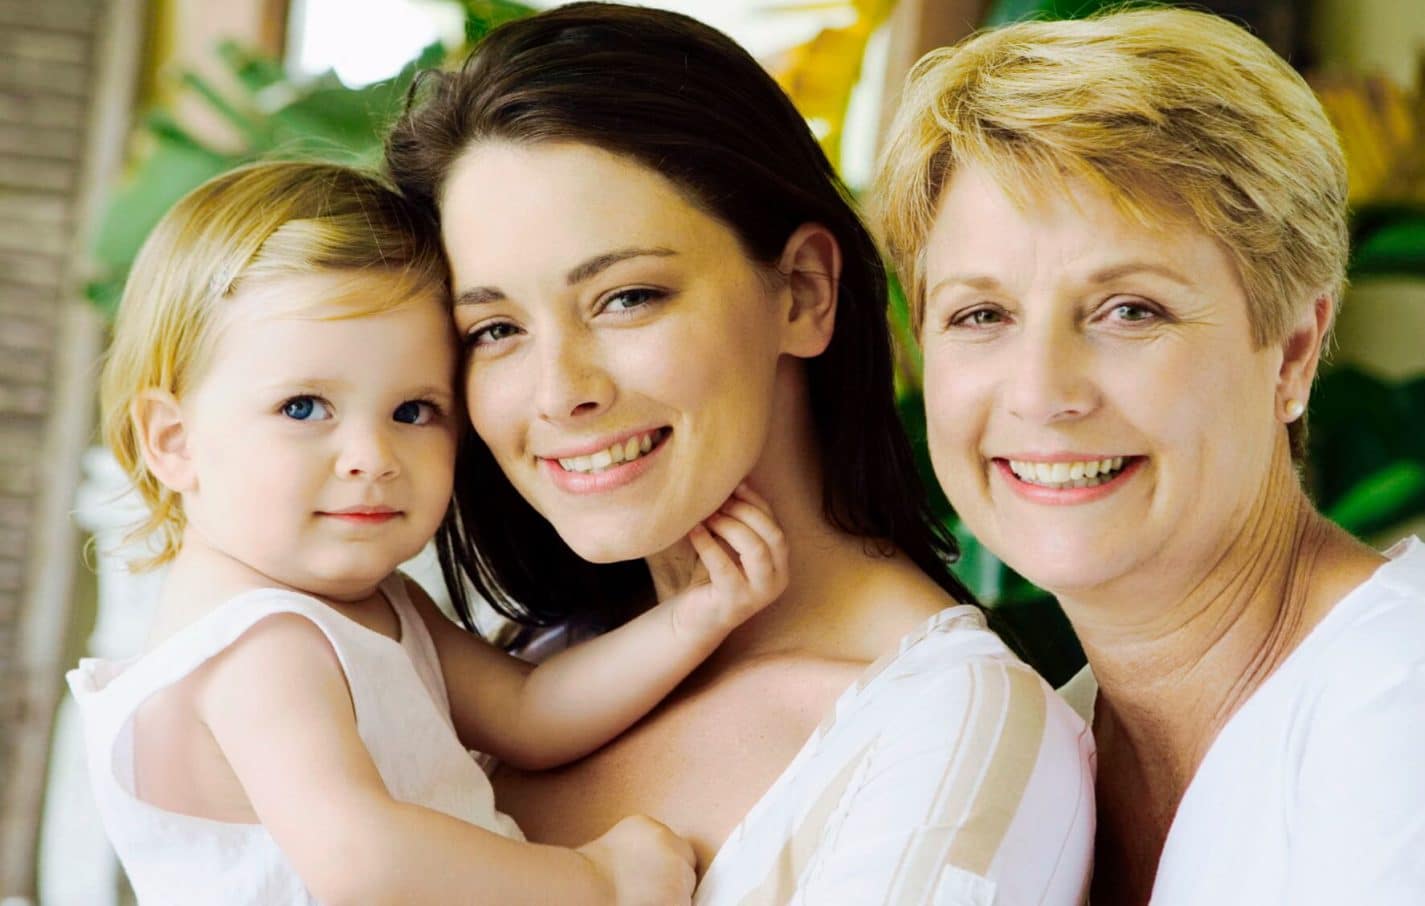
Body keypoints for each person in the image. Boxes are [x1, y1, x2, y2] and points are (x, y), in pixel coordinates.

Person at [385, 4, 1093, 903]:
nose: (559, 392)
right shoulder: (520, 668)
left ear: (802, 292)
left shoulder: (948, 733)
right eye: (495, 328)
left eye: (627, 297)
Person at [67, 159, 796, 905]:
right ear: (174, 441)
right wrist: (597, 883)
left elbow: (528, 715)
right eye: (303, 408)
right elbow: (360, 864)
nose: (372, 457)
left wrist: (695, 616)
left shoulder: (361, 605)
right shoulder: (257, 646)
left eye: (413, 411)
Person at [872, 8, 1425, 905]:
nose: (1040, 392)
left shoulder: (1402, 701)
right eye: (981, 315)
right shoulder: (1023, 752)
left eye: (1129, 311)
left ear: (1291, 352)